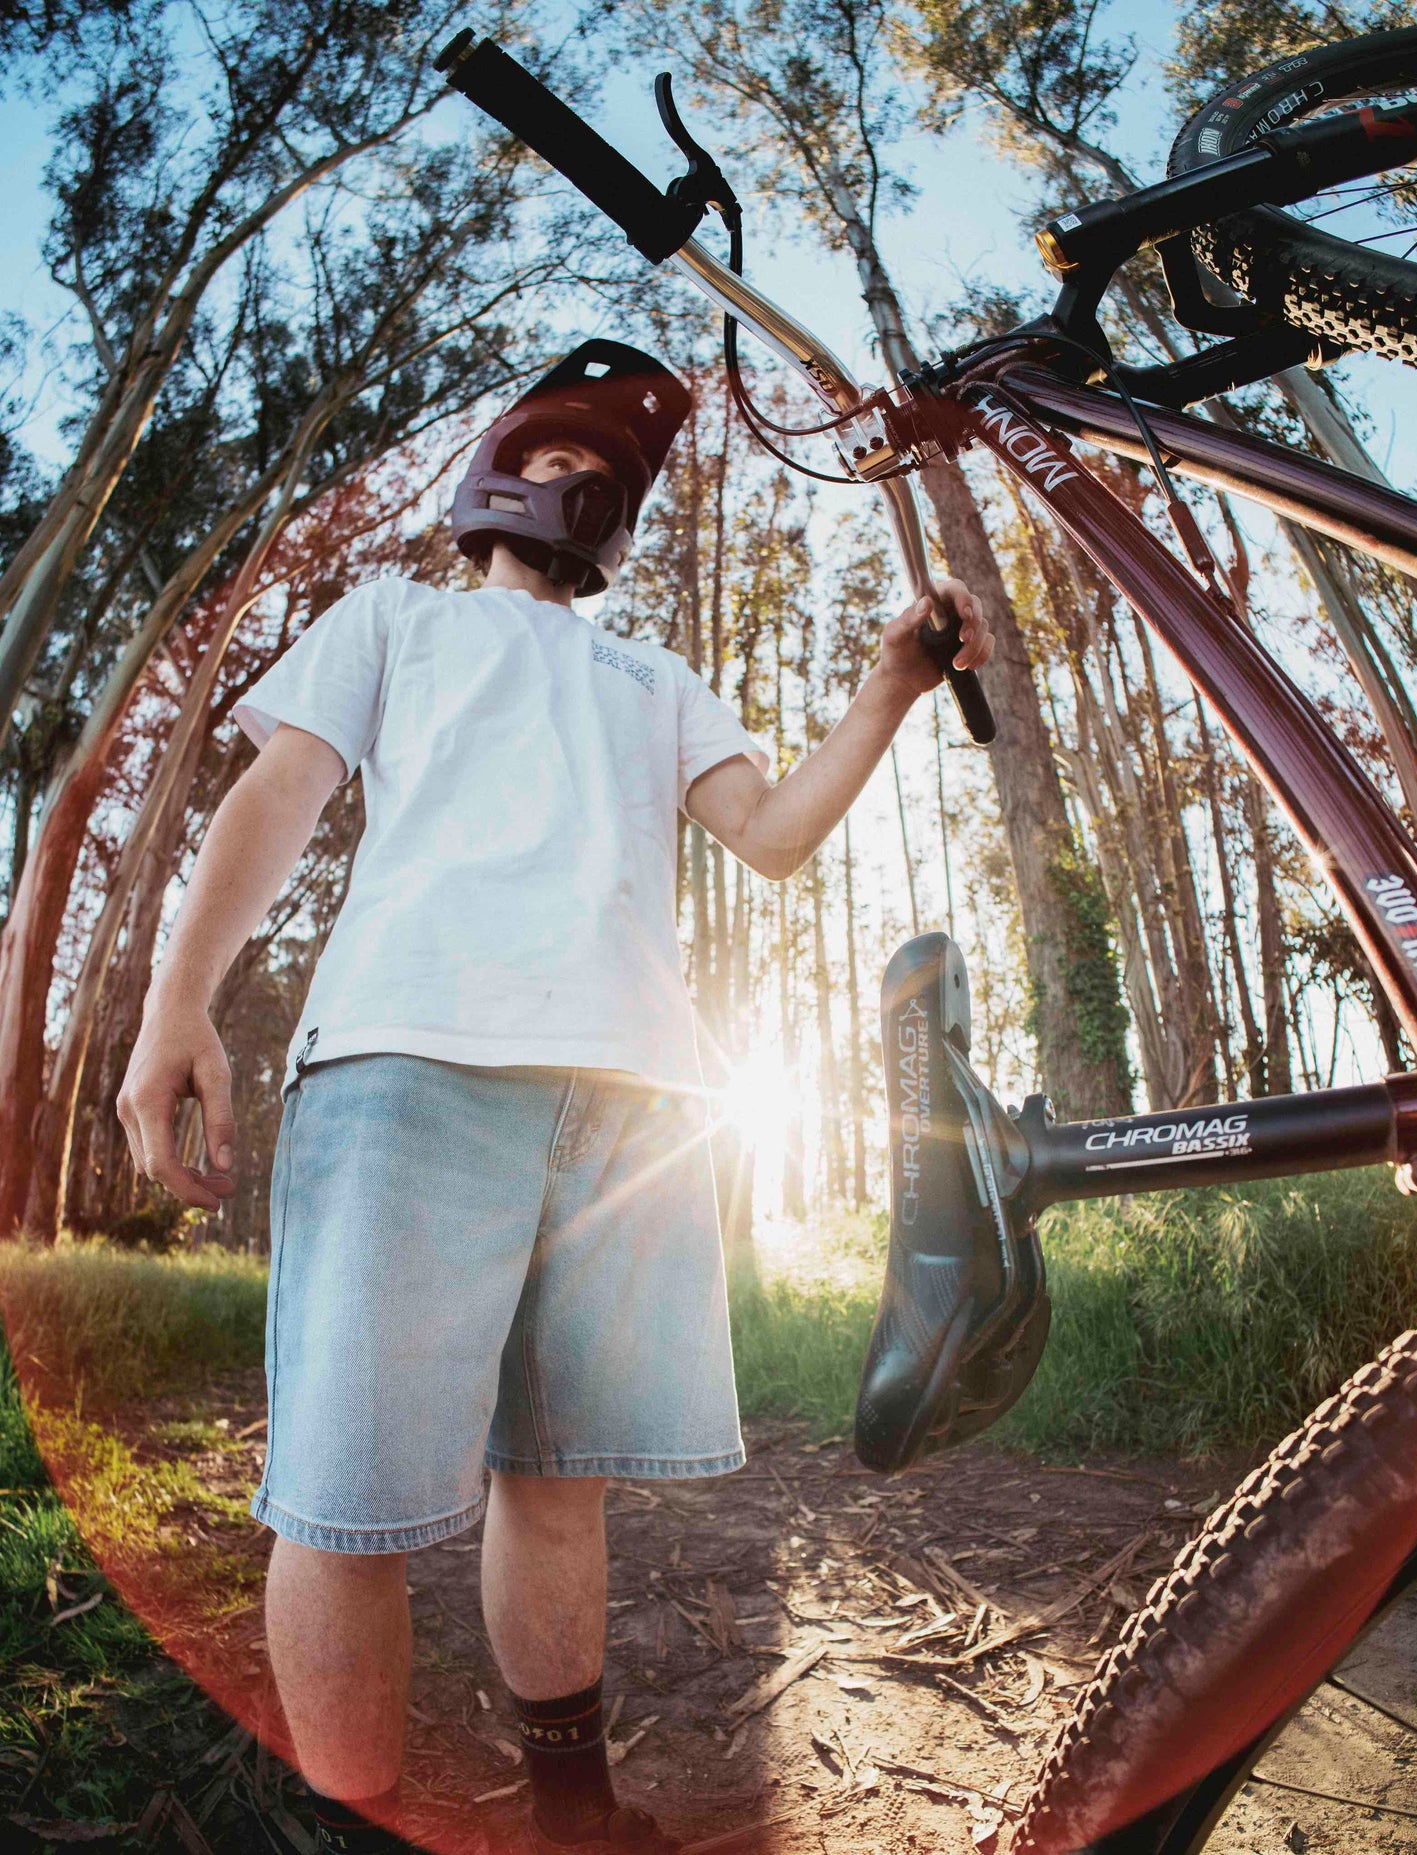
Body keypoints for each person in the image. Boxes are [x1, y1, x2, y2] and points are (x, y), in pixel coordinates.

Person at [117, 338, 993, 1855]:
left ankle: (573, 1809)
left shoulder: (653, 677)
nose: (580, 483)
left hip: (637, 1101)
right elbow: (276, 795)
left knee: (562, 1477)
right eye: (557, 456)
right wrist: (176, 998)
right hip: (411, 1069)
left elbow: (773, 835)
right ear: (492, 475)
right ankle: (355, 1821)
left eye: (611, 479)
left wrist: (891, 687)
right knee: (349, 1496)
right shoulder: (395, 619)